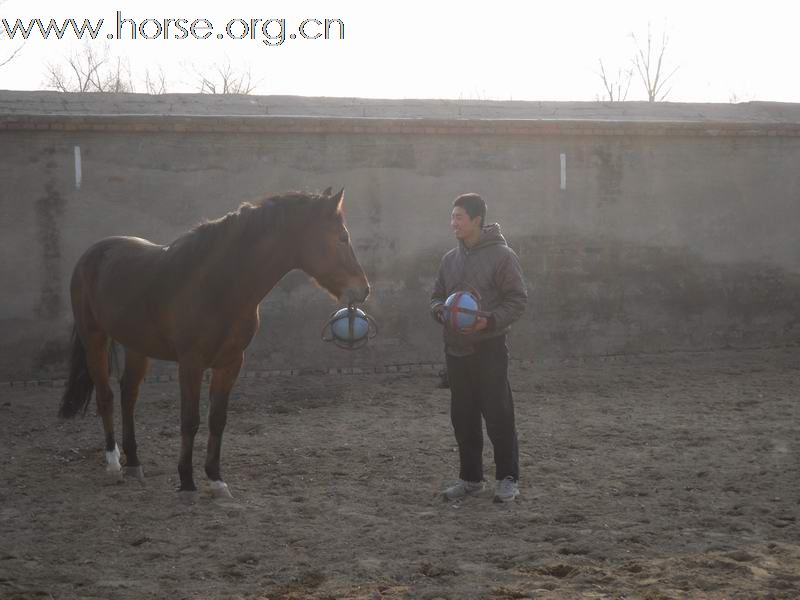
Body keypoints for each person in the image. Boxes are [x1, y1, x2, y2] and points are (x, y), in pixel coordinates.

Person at [430, 193, 528, 503]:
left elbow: (518, 300)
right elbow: (435, 297)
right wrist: (439, 311)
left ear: (476, 220)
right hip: (456, 350)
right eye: (452, 217)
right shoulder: (449, 259)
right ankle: (471, 479)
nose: (453, 223)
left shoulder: (503, 256)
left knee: (498, 414)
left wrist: (490, 321)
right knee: (463, 416)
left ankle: (508, 478)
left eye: (459, 217)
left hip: (490, 348)